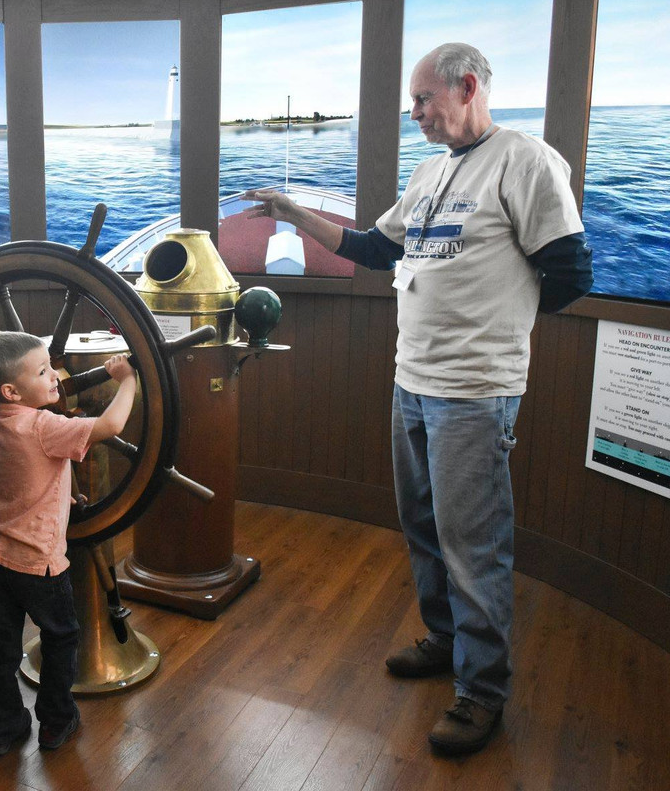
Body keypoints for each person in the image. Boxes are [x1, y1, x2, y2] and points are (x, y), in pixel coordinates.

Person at [243, 43, 593, 755]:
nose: (415, 114)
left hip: (473, 389)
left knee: (474, 543)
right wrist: (291, 210)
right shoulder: (431, 172)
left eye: (423, 100)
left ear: (467, 87)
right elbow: (376, 247)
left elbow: (568, 271)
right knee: (424, 524)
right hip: (412, 380)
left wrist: (497, 324)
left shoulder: (525, 160)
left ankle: (481, 691)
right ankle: (445, 639)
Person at [0, 331, 136, 755]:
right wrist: (127, 379)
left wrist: (66, 494)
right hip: (40, 564)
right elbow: (111, 425)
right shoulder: (45, 426)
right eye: (43, 371)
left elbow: (24, 480)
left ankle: (3, 729)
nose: (55, 378)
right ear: (12, 389)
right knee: (61, 639)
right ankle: (56, 722)